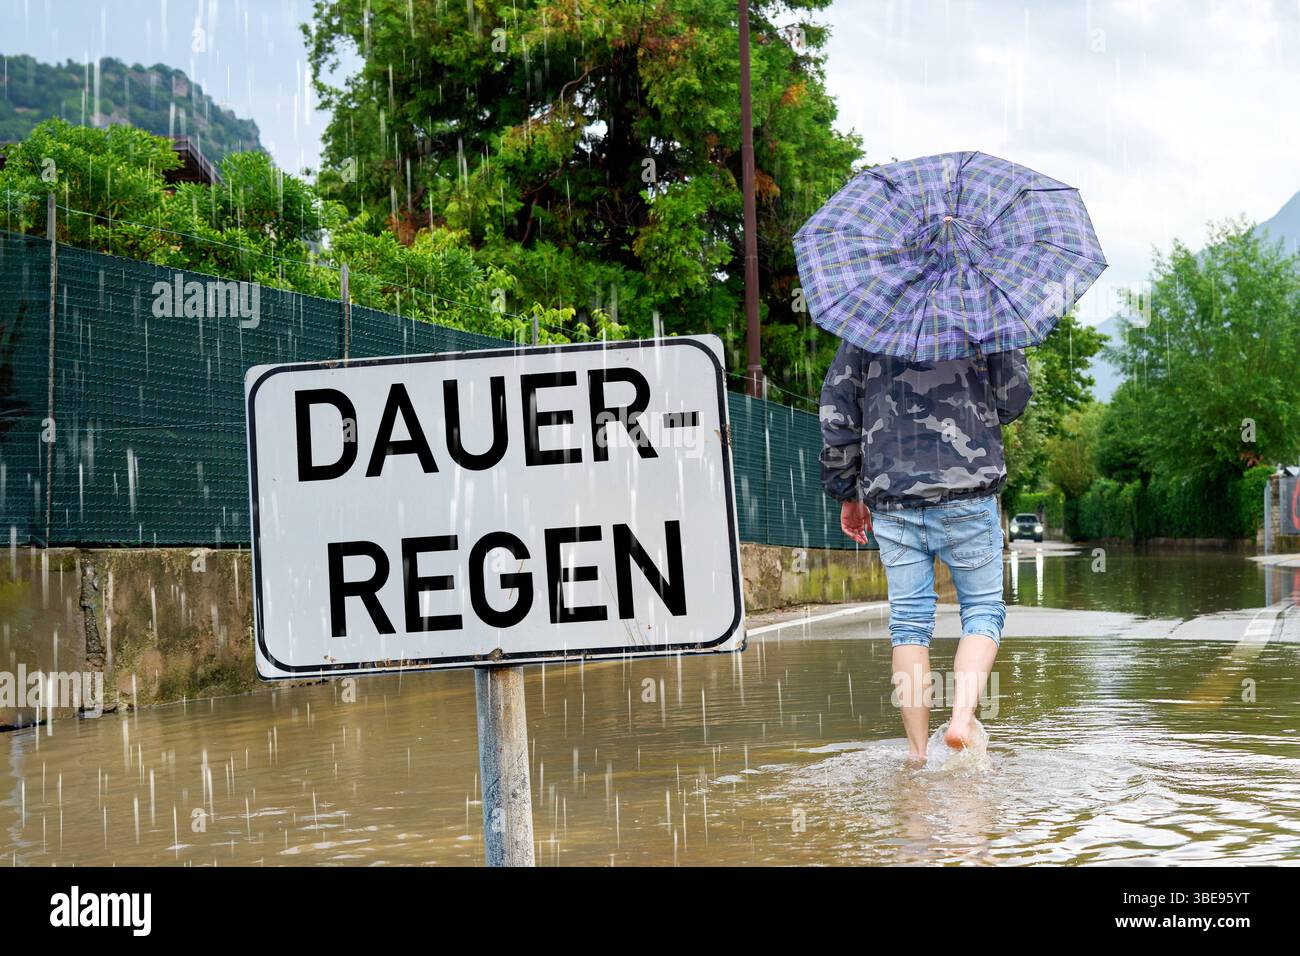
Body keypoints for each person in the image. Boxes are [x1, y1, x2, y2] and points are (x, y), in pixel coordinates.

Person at [819, 342, 1032, 757]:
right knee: (983, 611)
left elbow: (838, 412)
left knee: (909, 625)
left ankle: (917, 754)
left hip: (893, 496)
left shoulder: (873, 319)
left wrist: (847, 490)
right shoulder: (981, 313)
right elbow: (1013, 396)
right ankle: (960, 719)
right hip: (969, 491)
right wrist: (976, 412)